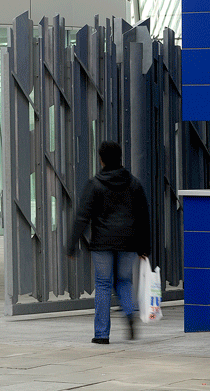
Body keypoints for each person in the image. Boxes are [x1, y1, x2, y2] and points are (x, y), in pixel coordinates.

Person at [67, 140, 150, 344]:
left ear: (101, 159)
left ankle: (102, 334)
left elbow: (82, 216)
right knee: (124, 281)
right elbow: (143, 217)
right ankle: (129, 313)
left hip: (102, 243)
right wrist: (144, 247)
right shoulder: (134, 183)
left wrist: (72, 243)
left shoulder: (95, 184)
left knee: (103, 284)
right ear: (120, 158)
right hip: (128, 243)